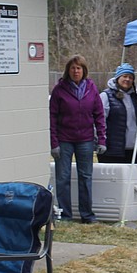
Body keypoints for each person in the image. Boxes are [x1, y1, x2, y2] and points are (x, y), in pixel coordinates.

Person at [49, 55, 107, 223]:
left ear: (84, 71)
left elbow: (99, 115)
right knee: (63, 178)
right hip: (64, 140)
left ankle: (87, 214)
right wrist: (54, 143)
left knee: (85, 177)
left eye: (79, 68)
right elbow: (52, 117)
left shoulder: (91, 88)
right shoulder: (59, 90)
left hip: (86, 140)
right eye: (73, 68)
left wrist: (101, 139)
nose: (76, 71)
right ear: (68, 70)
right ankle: (65, 214)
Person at [99, 63, 137, 165]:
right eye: (124, 76)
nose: (127, 79)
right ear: (118, 77)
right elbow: (100, 121)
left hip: (133, 149)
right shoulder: (106, 96)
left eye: (130, 77)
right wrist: (100, 141)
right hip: (111, 150)